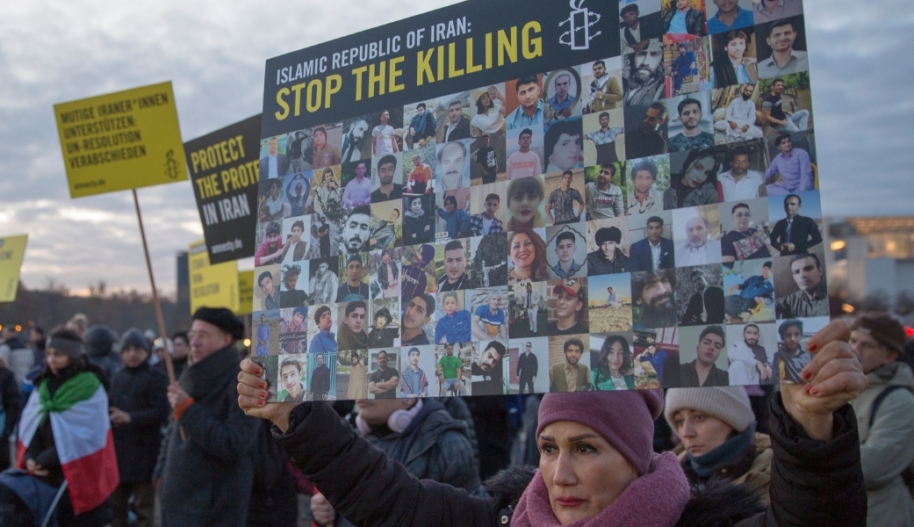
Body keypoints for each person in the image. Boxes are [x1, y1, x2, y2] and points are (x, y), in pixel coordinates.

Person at [238, 318, 869, 527]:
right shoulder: (508, 515)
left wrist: (809, 427)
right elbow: (388, 497)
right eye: (548, 447)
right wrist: (298, 415)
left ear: (635, 454)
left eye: (587, 448)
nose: (560, 473)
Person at [156, 308, 258, 526]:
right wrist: (160, 475)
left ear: (227, 339)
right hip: (175, 500)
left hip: (213, 508)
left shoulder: (243, 379)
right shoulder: (189, 373)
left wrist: (188, 409)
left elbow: (235, 444)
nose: (194, 342)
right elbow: (173, 429)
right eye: (193, 335)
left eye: (204, 335)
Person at [19, 328, 117, 526]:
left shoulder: (90, 387)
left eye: (58, 354)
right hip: (44, 478)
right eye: (49, 354)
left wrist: (44, 460)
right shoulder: (44, 385)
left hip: (76, 478)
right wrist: (30, 457)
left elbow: (87, 437)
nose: (52, 360)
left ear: (72, 356)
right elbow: (33, 426)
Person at [847, 313, 914, 527]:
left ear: (890, 356)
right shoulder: (843, 389)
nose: (855, 350)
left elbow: (873, 467)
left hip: (880, 515)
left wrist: (816, 455)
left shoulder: (899, 400)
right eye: (853, 341)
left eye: (867, 345)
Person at [666, 386, 772, 503]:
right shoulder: (665, 480)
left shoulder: (780, 480)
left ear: (734, 419)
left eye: (699, 417)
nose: (685, 433)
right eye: (679, 421)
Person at [106, 330, 168, 527]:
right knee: (116, 510)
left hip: (145, 454)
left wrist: (130, 418)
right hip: (118, 454)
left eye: (138, 349)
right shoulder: (117, 377)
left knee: (144, 511)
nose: (132, 354)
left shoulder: (157, 377)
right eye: (128, 349)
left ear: (146, 352)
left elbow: (161, 412)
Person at [776, 253, 828, 318]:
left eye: (808, 269)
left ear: (820, 271)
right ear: (793, 277)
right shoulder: (792, 299)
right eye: (797, 272)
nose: (802, 275)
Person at [623, 40, 665, 106]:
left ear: (661, 59)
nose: (645, 62)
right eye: (641, 53)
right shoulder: (621, 80)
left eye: (654, 54)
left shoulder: (663, 89)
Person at [772, 318, 811, 383]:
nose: (792, 339)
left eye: (796, 334)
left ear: (801, 336)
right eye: (788, 335)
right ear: (782, 337)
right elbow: (775, 379)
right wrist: (785, 382)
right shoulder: (779, 354)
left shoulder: (809, 351)